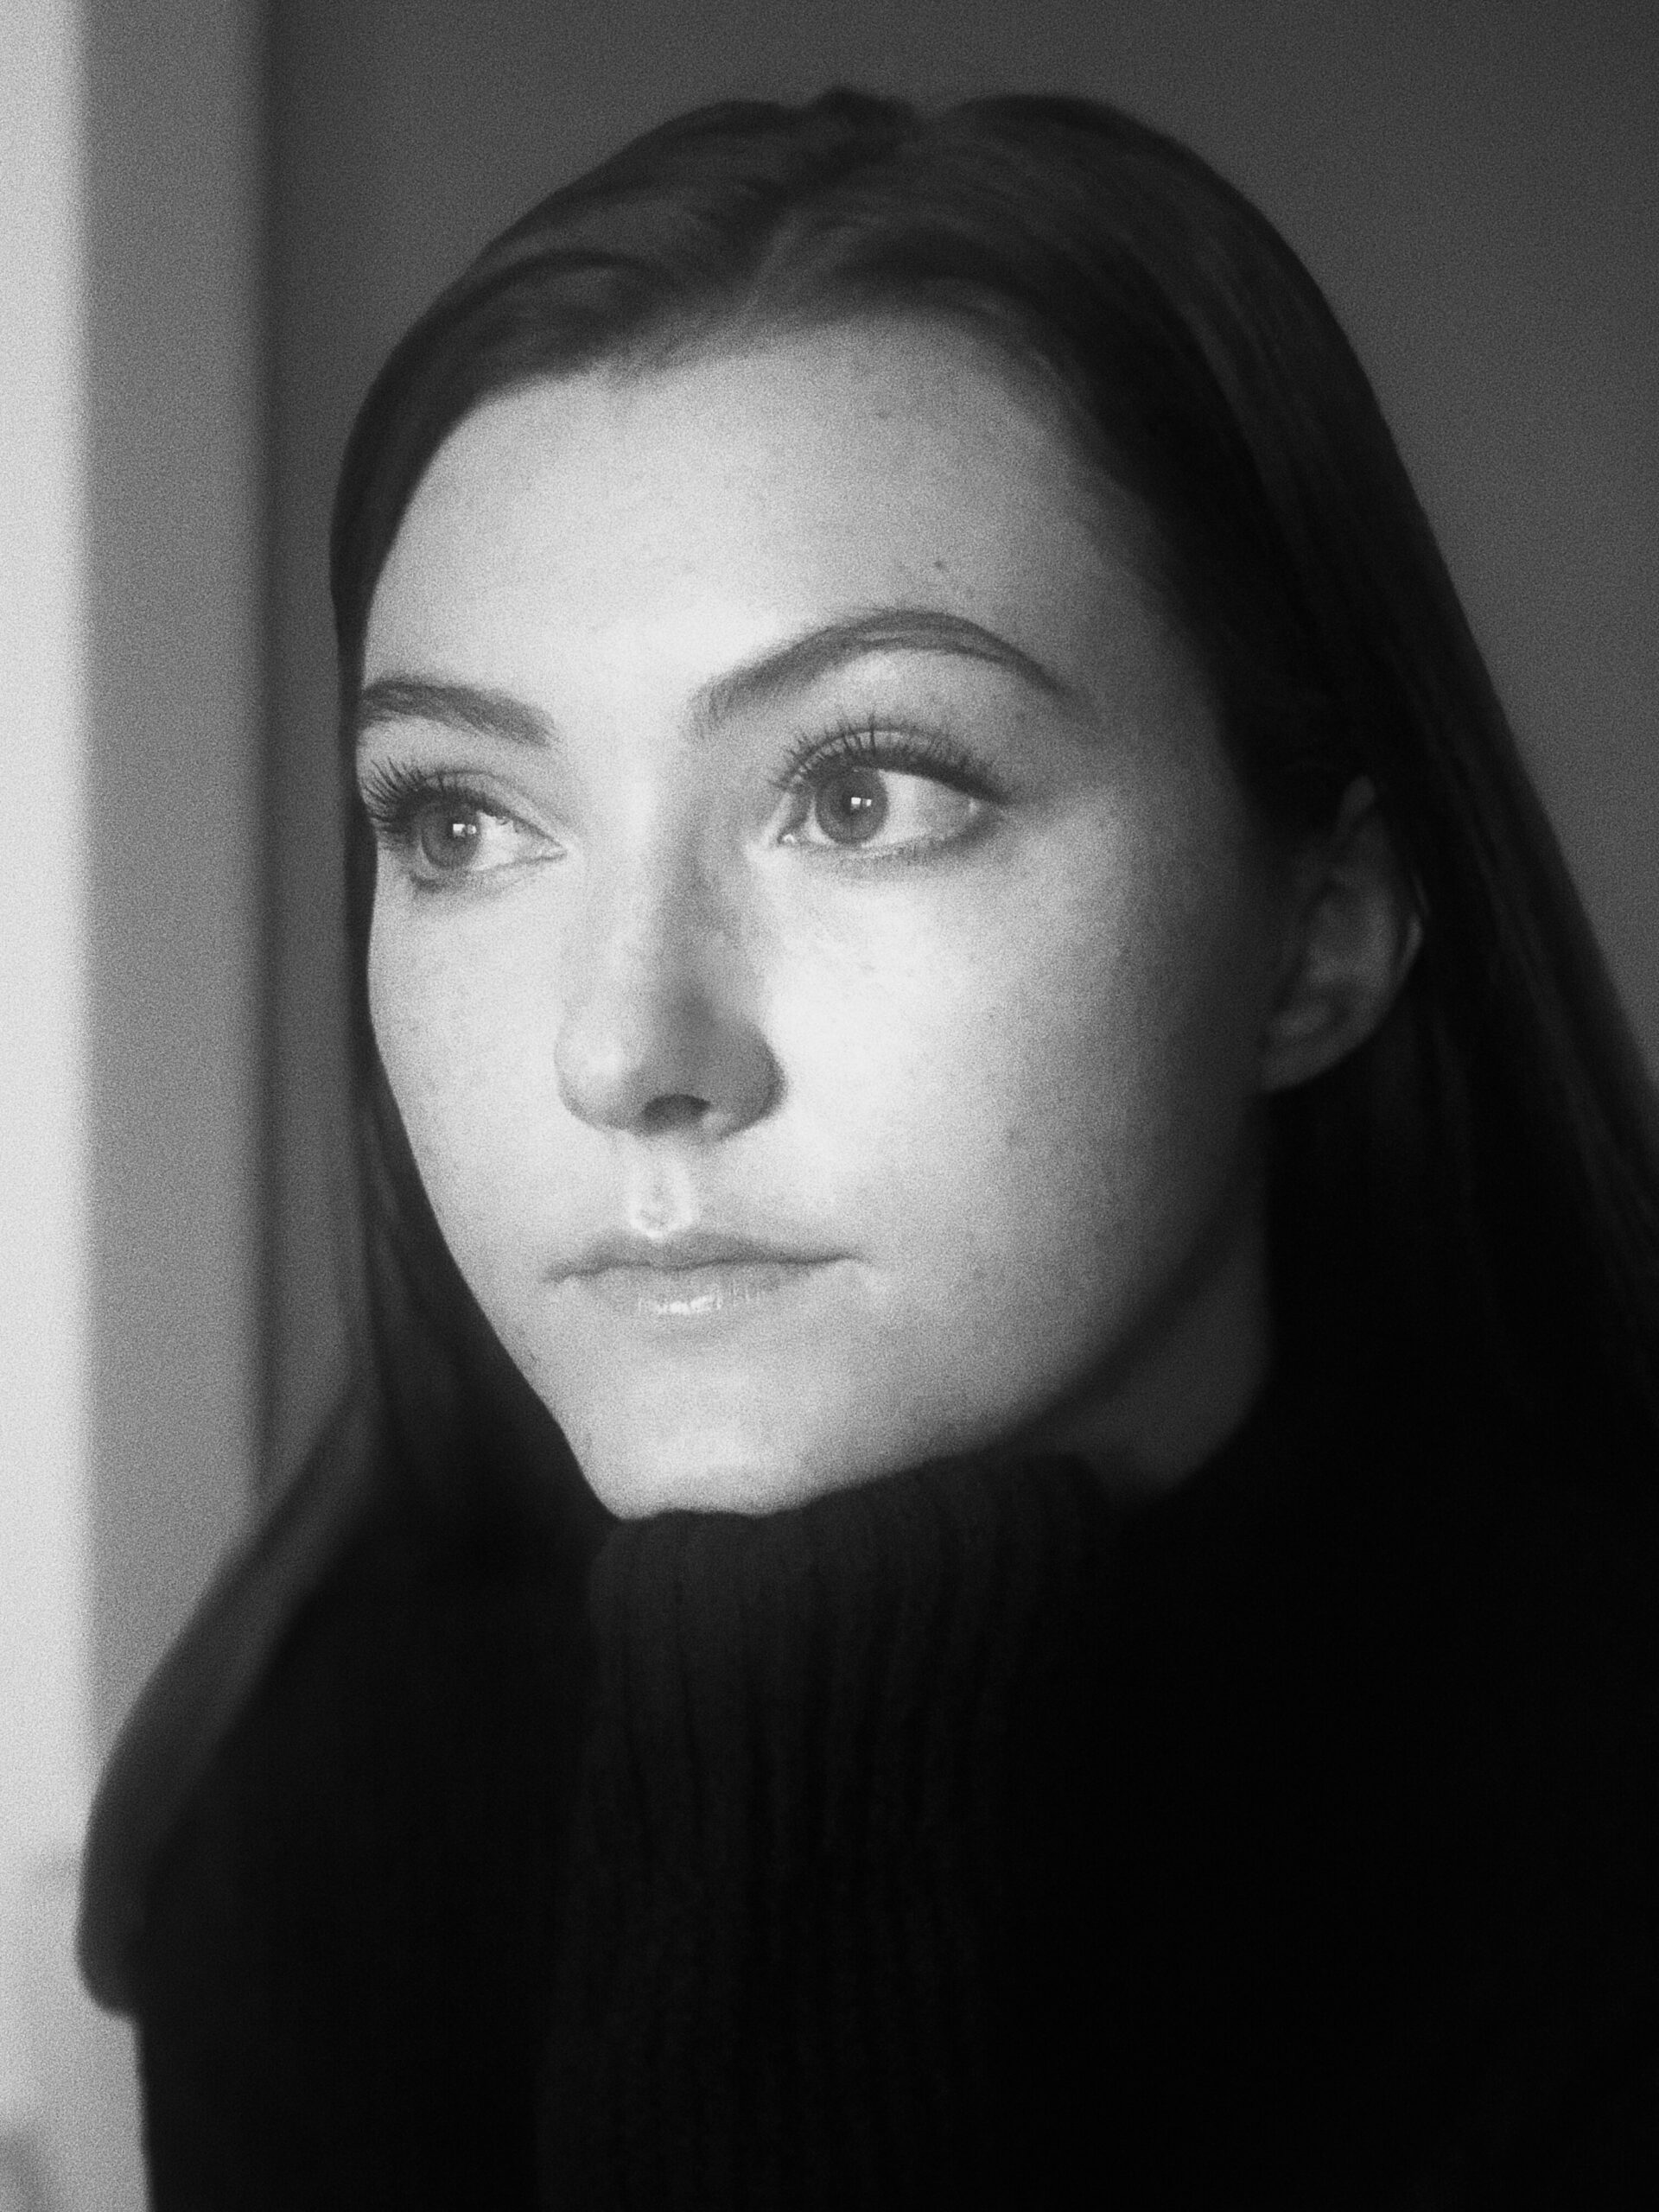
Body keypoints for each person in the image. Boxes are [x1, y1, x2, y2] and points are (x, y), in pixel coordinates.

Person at [79, 88, 1659, 2209]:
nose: (622, 1047)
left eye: (863, 794)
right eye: (461, 822)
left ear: (1323, 930)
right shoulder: (320, 1824)